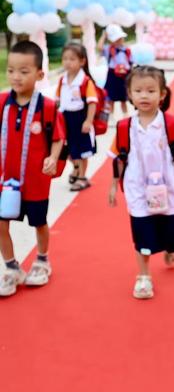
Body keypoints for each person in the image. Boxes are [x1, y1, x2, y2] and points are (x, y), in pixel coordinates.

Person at [108, 66, 174, 299]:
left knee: (171, 234)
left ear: (162, 94)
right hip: (137, 190)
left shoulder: (172, 124)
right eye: (138, 90)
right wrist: (113, 185)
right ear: (129, 93)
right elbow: (118, 158)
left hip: (168, 190)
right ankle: (144, 276)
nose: (144, 96)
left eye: (150, 90)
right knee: (142, 234)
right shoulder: (124, 127)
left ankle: (171, 248)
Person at [0, 41, 65, 297]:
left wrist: (53, 157)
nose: (16, 76)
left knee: (38, 223)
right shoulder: (3, 102)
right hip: (5, 181)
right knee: (1, 223)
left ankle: (42, 260)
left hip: (36, 182)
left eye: (24, 71)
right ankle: (11, 267)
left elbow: (58, 137)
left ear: (39, 74)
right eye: (11, 70)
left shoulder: (47, 107)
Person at [56, 43, 97, 191]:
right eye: (65, 58)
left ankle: (82, 177)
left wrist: (88, 121)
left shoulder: (85, 81)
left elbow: (92, 103)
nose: (67, 62)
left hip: (80, 119)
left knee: (82, 151)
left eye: (72, 59)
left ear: (82, 61)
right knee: (67, 149)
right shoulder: (62, 80)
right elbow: (58, 100)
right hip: (65, 118)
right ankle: (76, 168)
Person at [97, 24, 132, 117]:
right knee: (111, 97)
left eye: (121, 38)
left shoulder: (127, 50)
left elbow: (131, 62)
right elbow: (99, 47)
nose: (119, 41)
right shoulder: (109, 49)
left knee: (123, 98)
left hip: (124, 75)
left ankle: (126, 115)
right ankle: (111, 116)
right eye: (117, 39)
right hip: (113, 75)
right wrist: (104, 35)